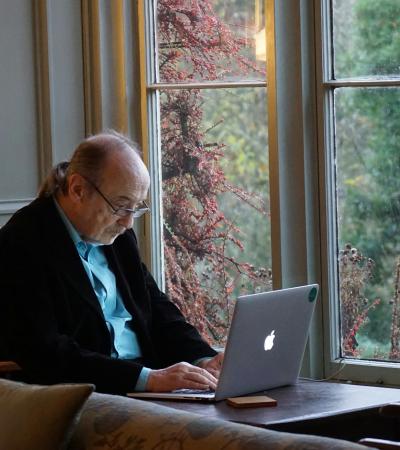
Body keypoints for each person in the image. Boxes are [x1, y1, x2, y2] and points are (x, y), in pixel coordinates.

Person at [0, 131, 223, 395]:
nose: (128, 222)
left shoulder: (116, 234)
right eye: (121, 206)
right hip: (93, 395)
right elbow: (46, 352)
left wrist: (203, 358)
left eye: (136, 207)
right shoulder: (20, 244)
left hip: (150, 386)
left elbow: (156, 307)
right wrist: (148, 379)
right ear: (77, 189)